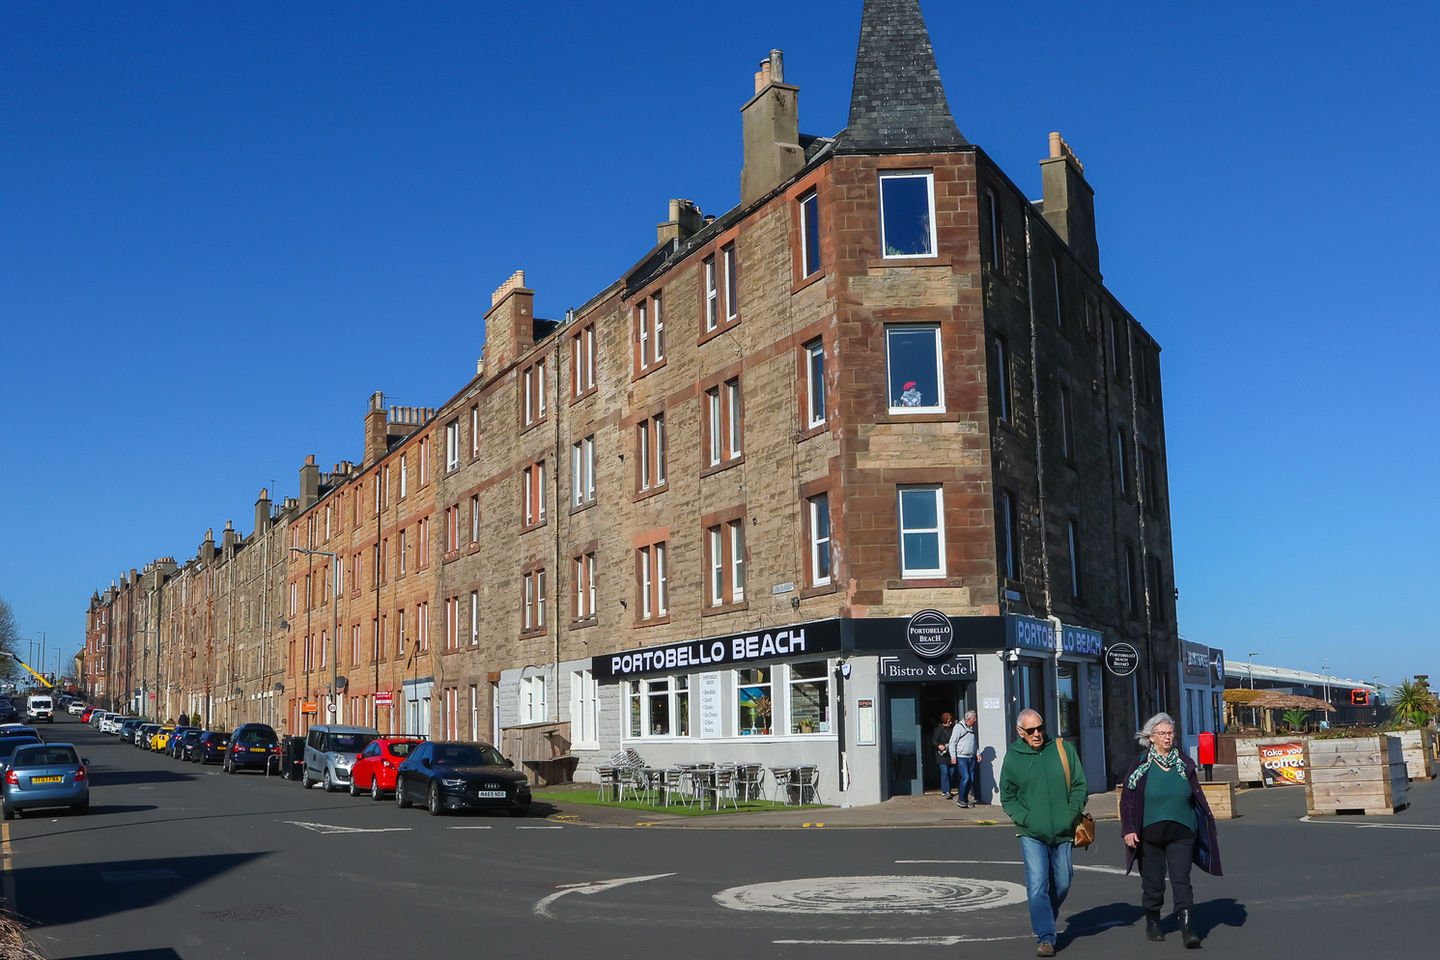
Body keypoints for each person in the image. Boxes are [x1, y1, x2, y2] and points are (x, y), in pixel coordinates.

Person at [1120, 713, 1222, 948]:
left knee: (1181, 880)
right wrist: (1128, 829)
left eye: (1170, 733)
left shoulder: (1184, 762)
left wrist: (1205, 822)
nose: (1167, 737)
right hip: (1149, 835)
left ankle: (1188, 928)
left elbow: (1197, 794)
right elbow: (1127, 799)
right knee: (1153, 882)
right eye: (1162, 734)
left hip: (1182, 832)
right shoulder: (1141, 763)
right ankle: (1153, 922)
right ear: (1151, 738)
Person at [1000, 709, 1086, 958]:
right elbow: (1008, 797)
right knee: (1037, 885)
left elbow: (1080, 785)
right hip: (1031, 833)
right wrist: (1025, 818)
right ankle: (1046, 937)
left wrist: (1071, 813)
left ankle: (1045, 915)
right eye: (1031, 731)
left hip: (1063, 830)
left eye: (1040, 728)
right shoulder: (1013, 758)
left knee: (1062, 882)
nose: (1037, 734)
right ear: (1020, 732)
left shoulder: (1062, 749)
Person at [948, 709, 979, 807]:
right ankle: (960, 799)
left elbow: (974, 742)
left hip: (971, 757)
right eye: (974, 718)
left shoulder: (971, 728)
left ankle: (965, 799)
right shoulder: (959, 727)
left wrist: (977, 753)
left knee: (971, 779)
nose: (976, 720)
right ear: (969, 719)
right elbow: (952, 742)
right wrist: (953, 756)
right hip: (962, 757)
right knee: (966, 777)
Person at [932, 712, 956, 799]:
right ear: (945, 721)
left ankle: (948, 789)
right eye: (949, 721)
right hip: (941, 755)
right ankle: (946, 791)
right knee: (945, 772)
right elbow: (934, 741)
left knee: (952, 773)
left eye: (951, 721)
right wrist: (939, 746)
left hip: (950, 754)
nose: (950, 723)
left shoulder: (952, 729)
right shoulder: (938, 729)